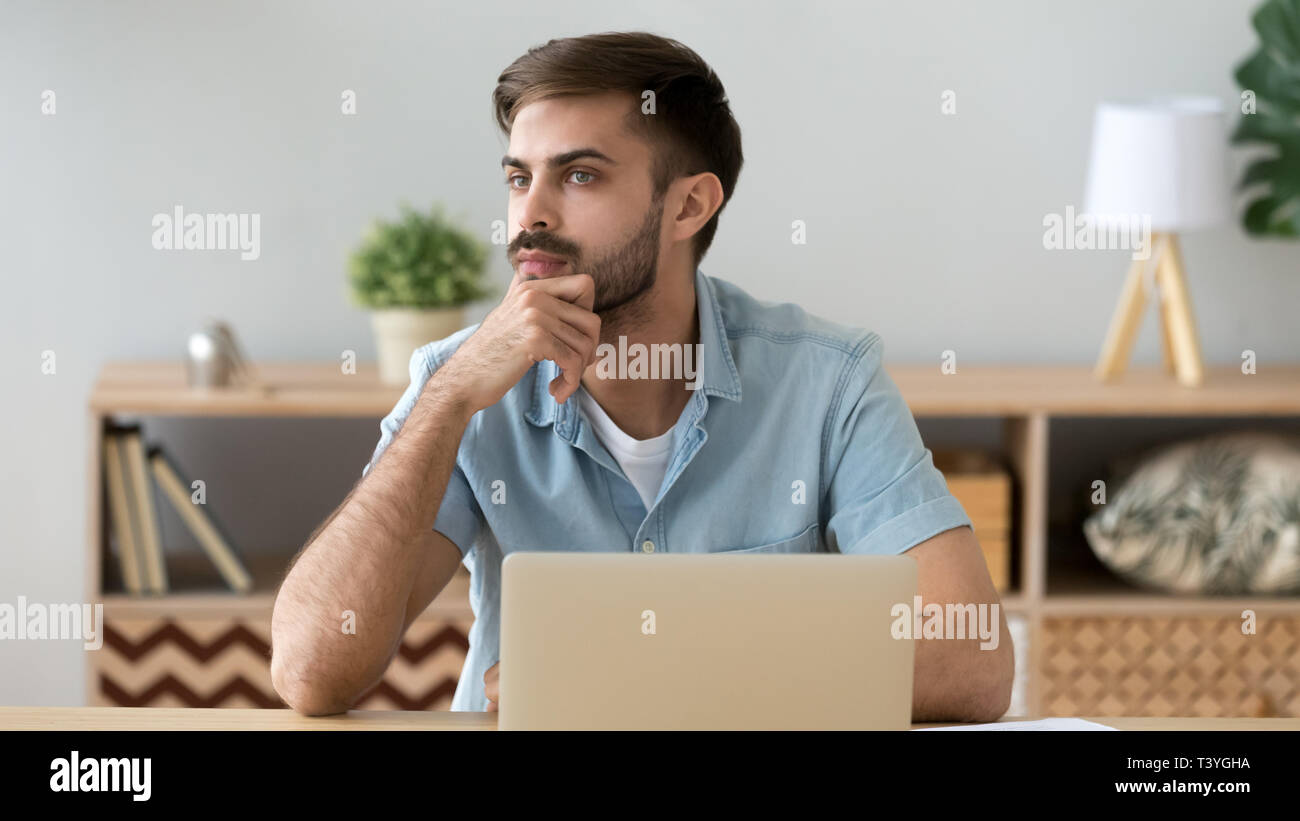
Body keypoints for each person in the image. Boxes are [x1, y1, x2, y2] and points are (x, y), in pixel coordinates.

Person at [271, 31, 1013, 722]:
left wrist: (618, 675)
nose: (530, 215)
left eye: (580, 175)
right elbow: (310, 669)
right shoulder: (462, 385)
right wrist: (449, 398)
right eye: (519, 178)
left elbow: (971, 658)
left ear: (690, 203)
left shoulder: (828, 383)